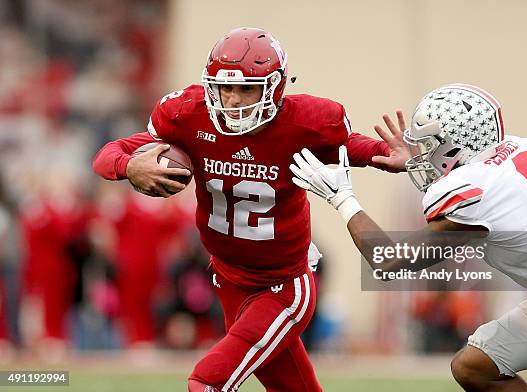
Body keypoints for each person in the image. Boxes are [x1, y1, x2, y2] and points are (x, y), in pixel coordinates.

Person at [93, 27, 403, 392]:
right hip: (228, 280)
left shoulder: (305, 122)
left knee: (207, 381)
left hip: (283, 286)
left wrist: (385, 155)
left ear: (275, 87)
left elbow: (346, 143)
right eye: (226, 87)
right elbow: (108, 153)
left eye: (247, 88)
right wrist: (128, 166)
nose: (235, 99)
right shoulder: (190, 116)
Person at [290, 83, 527, 391]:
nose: (423, 155)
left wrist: (342, 198)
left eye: (429, 146)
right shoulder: (520, 152)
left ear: (455, 145)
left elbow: (388, 261)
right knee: (474, 366)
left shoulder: (474, 196)